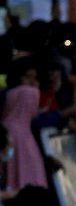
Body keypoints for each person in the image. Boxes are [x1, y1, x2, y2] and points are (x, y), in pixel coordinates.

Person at [2, 60, 47, 192]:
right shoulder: (27, 92)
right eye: (28, 77)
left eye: (34, 77)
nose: (32, 82)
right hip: (18, 139)